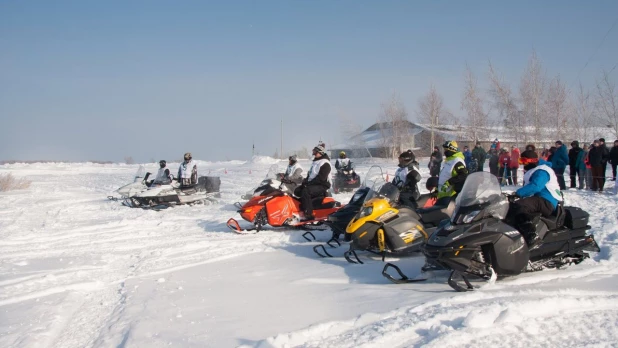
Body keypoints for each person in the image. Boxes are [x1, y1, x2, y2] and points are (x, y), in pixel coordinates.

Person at [507, 149, 562, 247]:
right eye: (521, 161)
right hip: (539, 199)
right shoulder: (534, 170)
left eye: (524, 161)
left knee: (519, 206)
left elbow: (536, 186)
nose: (522, 164)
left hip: (547, 200)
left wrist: (518, 194)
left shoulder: (542, 170)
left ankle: (531, 236)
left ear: (531, 161)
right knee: (509, 206)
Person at [294, 145, 331, 220]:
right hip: (313, 183)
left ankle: (309, 214)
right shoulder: (315, 162)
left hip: (322, 185)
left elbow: (321, 178)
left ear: (320, 152)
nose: (313, 153)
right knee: (297, 191)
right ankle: (303, 206)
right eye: (313, 151)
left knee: (306, 191)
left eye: (315, 152)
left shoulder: (325, 163)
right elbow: (311, 174)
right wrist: (305, 182)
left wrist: (308, 184)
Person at [435, 141, 468, 206]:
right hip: (442, 192)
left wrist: (449, 183)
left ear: (452, 149)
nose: (445, 151)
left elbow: (463, 174)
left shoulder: (457, 161)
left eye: (446, 150)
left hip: (450, 194)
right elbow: (445, 174)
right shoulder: (449, 160)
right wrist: (437, 188)